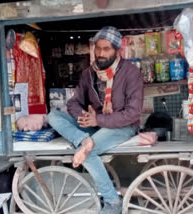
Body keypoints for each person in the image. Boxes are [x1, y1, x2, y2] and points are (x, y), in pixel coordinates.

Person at [47, 26, 143, 214]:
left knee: (87, 154)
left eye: (106, 49)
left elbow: (133, 113)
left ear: (117, 51)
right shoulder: (88, 74)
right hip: (95, 126)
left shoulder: (131, 73)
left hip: (123, 126)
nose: (100, 53)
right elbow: (73, 103)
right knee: (53, 116)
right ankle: (84, 140)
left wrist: (97, 120)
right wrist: (83, 117)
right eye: (97, 48)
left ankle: (112, 202)